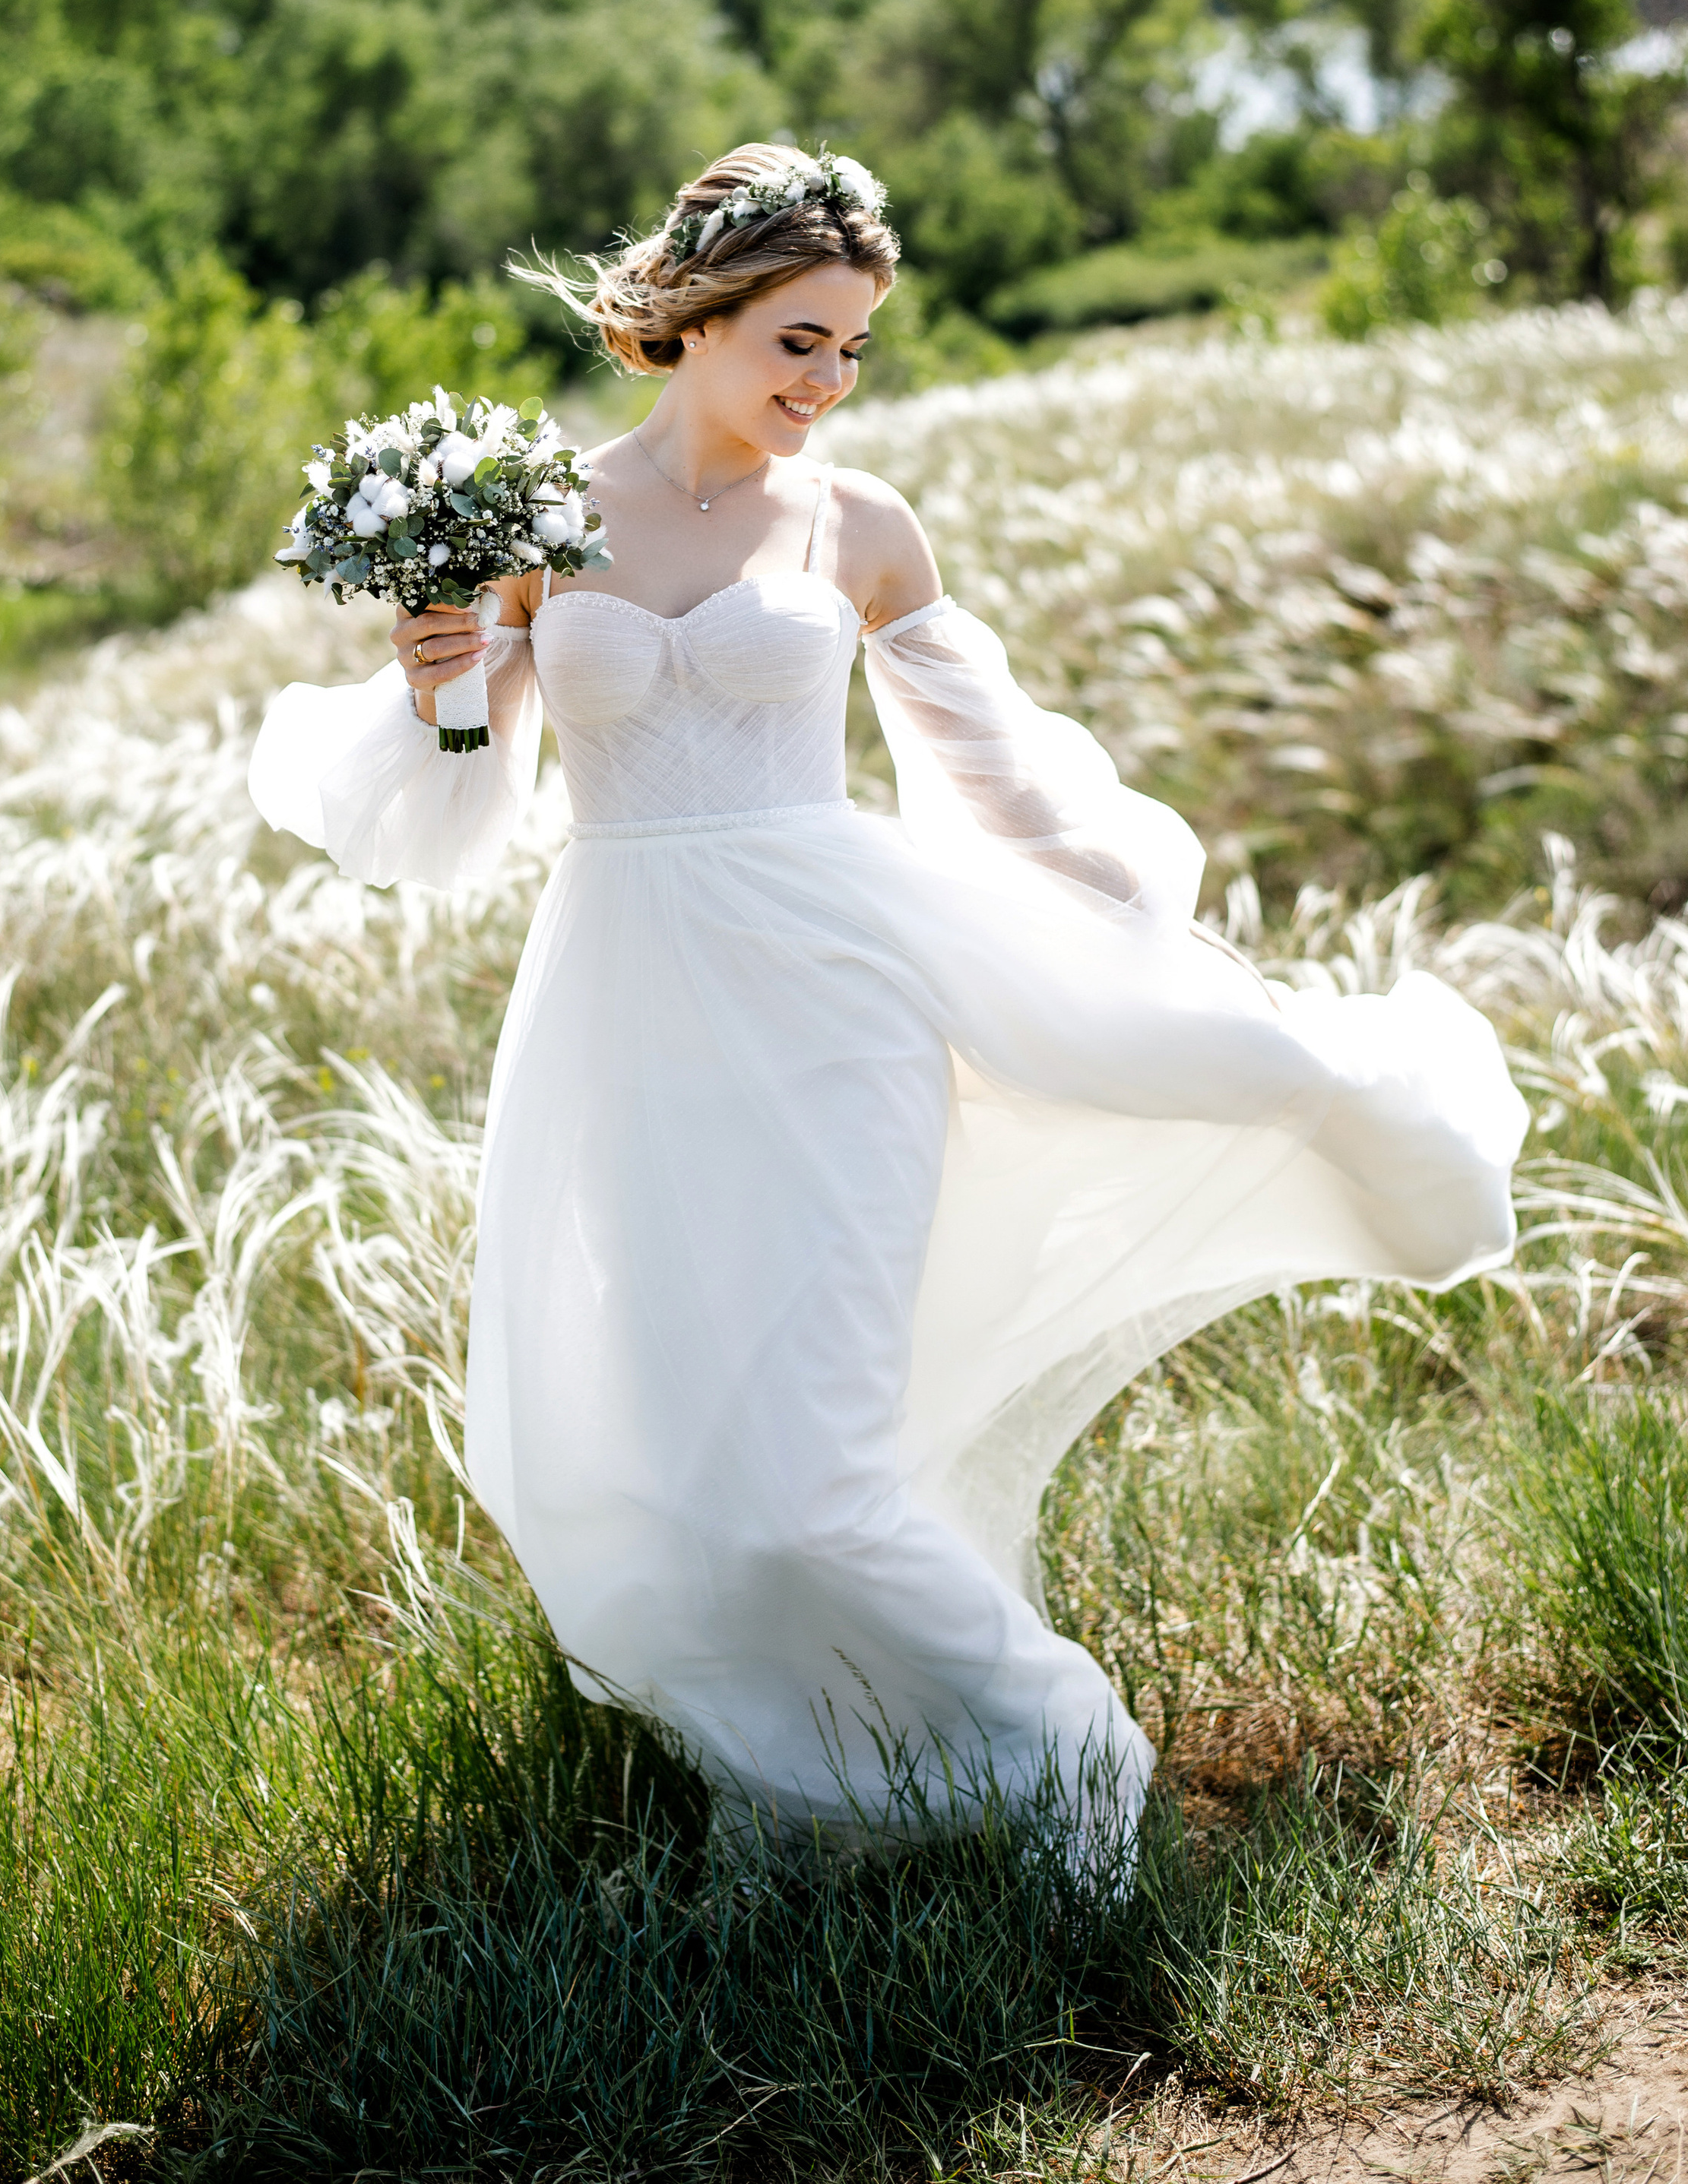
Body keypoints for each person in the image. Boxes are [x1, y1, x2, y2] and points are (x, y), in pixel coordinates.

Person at [249, 142, 1524, 1847]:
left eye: (850, 349)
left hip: (843, 991)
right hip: (627, 1010)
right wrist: (438, 690)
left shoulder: (858, 524)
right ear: (693, 320)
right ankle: (814, 1780)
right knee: (692, 1455)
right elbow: (465, 809)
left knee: (817, 1468)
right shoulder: (536, 522)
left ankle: (1060, 1761)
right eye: (796, 341)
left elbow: (994, 779)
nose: (825, 384)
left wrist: (1139, 920)